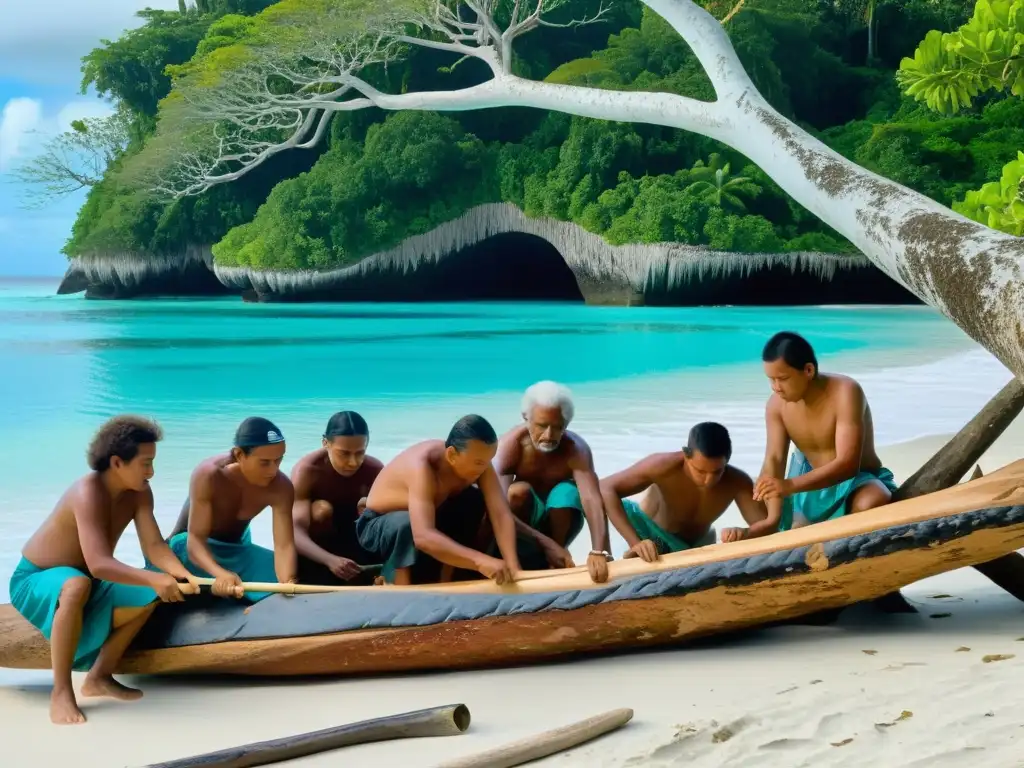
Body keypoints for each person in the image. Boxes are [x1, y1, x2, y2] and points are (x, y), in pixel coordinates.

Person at [8, 415, 196, 725]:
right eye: (145, 463)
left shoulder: (140, 492)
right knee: (76, 585)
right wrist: (154, 577)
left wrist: (180, 574)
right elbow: (98, 562)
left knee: (151, 593)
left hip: (89, 580)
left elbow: (154, 546)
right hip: (37, 579)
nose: (152, 471)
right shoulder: (88, 492)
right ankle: (61, 692)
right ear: (117, 462)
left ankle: (99, 676)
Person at [725, 331, 898, 542]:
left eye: (783, 379)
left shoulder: (845, 391)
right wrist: (772, 516)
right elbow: (774, 459)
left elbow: (848, 463)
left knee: (872, 501)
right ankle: (779, 525)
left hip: (855, 482)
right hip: (808, 486)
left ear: (808, 370)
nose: (776, 388)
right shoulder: (776, 406)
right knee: (762, 498)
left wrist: (788, 486)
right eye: (771, 380)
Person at [355, 414, 521, 586]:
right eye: (479, 462)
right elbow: (423, 536)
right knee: (406, 523)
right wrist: (480, 561)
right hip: (378, 525)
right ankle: (397, 582)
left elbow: (500, 513)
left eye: (488, 461)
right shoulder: (423, 466)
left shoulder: (480, 464)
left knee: (472, 500)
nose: (485, 468)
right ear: (451, 455)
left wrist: (513, 565)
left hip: (429, 515)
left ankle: (446, 580)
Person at [165, 416, 298, 600]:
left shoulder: (281, 487)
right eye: (264, 462)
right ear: (239, 455)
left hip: (237, 550)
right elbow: (195, 541)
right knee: (196, 574)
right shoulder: (209, 474)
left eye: (278, 460)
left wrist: (286, 583)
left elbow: (284, 546)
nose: (273, 470)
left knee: (281, 576)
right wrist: (219, 573)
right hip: (193, 548)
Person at [493, 380, 612, 583]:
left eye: (557, 427)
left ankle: (554, 564)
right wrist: (546, 543)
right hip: (521, 525)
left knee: (566, 493)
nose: (548, 435)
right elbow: (495, 508)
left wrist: (599, 551)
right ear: (526, 418)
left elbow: (592, 500)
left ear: (566, 424)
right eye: (541, 426)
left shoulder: (576, 449)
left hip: (560, 526)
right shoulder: (510, 446)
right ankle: (513, 561)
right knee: (517, 492)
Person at [600, 422, 765, 560]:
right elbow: (605, 488)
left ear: (727, 460)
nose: (708, 480)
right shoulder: (662, 466)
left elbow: (766, 527)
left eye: (716, 472)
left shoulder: (738, 481)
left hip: (694, 546)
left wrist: (744, 533)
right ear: (686, 455)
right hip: (647, 535)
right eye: (700, 471)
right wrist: (635, 542)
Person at [290, 411, 383, 585]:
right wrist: (329, 559)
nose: (353, 462)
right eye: (344, 453)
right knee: (321, 509)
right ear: (325, 443)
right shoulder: (307, 471)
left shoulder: (374, 469)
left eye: (360, 453)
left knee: (372, 506)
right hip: (320, 546)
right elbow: (293, 531)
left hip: (358, 540)